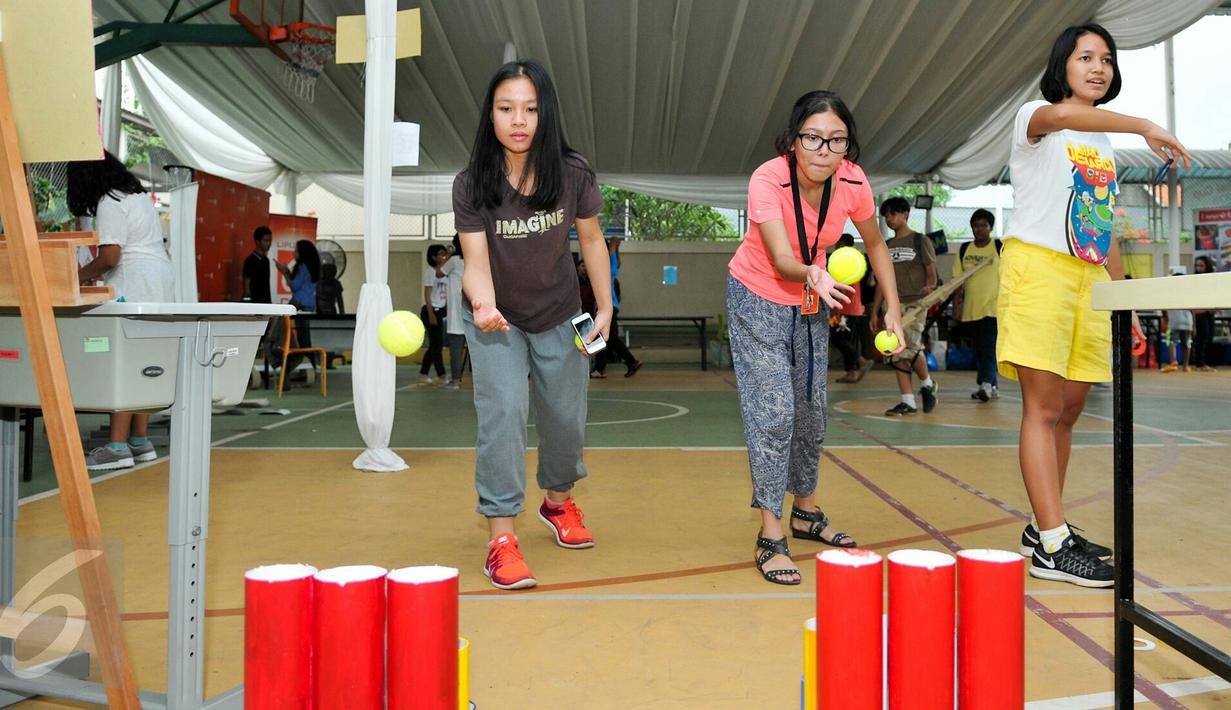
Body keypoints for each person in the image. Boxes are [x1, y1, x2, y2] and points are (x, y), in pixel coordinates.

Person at [1001, 23, 1191, 587]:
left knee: (1069, 410)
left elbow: (1100, 224)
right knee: (1041, 407)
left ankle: (1046, 525)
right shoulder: (1036, 118)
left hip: (1088, 280)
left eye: (1106, 59)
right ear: (1062, 66)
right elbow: (1063, 118)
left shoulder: (1101, 147)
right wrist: (1144, 125)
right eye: (1085, 57)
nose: (1098, 67)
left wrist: (1123, 295)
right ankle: (1053, 548)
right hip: (1038, 270)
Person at [727, 90, 905, 585]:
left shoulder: (852, 179)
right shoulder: (768, 179)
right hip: (758, 294)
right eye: (813, 138)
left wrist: (891, 305)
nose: (824, 150)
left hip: (811, 299)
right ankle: (770, 533)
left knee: (810, 409)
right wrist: (813, 273)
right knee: (774, 412)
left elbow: (876, 243)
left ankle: (805, 511)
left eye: (837, 140)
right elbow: (783, 259)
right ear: (793, 139)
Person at [454, 59, 612, 591]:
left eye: (530, 108)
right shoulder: (472, 182)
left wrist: (606, 306)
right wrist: (481, 303)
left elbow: (591, 239)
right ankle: (501, 536)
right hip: (495, 319)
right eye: (505, 108)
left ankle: (558, 503)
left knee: (565, 422)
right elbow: (474, 262)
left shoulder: (574, 174)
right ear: (490, 114)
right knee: (502, 414)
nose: (518, 120)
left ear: (546, 115)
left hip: (562, 314)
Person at [69, 151, 175, 471]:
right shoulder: (137, 196)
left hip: (135, 281)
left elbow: (111, 257)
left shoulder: (109, 202)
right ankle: (139, 441)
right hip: (159, 279)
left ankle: (116, 446)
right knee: (145, 361)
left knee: (124, 360)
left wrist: (75, 277)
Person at [871, 197, 939, 415]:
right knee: (896, 351)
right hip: (892, 306)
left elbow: (932, 275)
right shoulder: (886, 246)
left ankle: (927, 383)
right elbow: (882, 281)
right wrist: (874, 311)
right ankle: (910, 399)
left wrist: (929, 287)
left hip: (915, 303)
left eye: (893, 214)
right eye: (886, 215)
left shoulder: (920, 241)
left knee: (909, 347)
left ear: (906, 214)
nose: (889, 219)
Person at [952, 209, 1002, 401]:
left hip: (993, 308)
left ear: (990, 228)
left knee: (989, 347)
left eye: (984, 226)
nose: (979, 230)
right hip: (971, 309)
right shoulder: (965, 249)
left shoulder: (999, 247)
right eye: (976, 226)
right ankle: (992, 385)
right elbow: (958, 281)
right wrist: (957, 305)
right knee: (980, 348)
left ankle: (986, 385)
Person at [592, 237, 642, 378]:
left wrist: (613, 245)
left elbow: (614, 259)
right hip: (606, 307)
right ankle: (599, 368)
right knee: (604, 338)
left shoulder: (606, 266)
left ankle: (631, 361)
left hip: (608, 308)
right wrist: (615, 247)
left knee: (610, 337)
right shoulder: (605, 267)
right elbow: (617, 261)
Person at [273, 239, 321, 368]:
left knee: (302, 338)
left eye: (297, 250)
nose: (294, 253)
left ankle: (308, 365)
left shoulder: (302, 266)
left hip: (299, 304)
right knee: (304, 336)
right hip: (309, 303)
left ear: (303, 253)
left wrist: (283, 272)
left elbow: (294, 285)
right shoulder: (312, 266)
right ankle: (310, 365)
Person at [830, 234, 869, 383]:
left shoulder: (844, 260)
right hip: (853, 308)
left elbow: (845, 287)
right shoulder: (855, 259)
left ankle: (861, 360)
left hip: (844, 309)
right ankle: (851, 372)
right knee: (846, 339)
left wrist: (836, 307)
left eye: (837, 242)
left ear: (842, 243)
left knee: (838, 338)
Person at [418, 244, 449, 384]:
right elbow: (427, 294)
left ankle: (423, 373)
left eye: (444, 254)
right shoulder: (430, 272)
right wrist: (431, 314)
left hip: (440, 311)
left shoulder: (445, 271)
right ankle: (442, 375)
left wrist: (449, 253)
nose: (443, 256)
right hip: (431, 311)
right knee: (437, 345)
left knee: (435, 345)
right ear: (433, 257)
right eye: (441, 254)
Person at [442, 234, 466, 389]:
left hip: (456, 313)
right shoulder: (474, 259)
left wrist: (448, 254)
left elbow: (439, 272)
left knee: (456, 348)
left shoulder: (454, 261)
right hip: (472, 309)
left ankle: (456, 381)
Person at [1191, 256, 1217, 372]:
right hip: (1199, 311)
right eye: (1197, 265)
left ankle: (1205, 362)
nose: (1199, 268)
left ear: (1207, 266)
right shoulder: (1195, 279)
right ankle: (1199, 363)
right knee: (1202, 337)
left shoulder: (1211, 279)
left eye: (1201, 265)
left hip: (1209, 311)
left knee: (1209, 336)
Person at [242, 226, 273, 304]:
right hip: (254, 303)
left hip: (266, 302)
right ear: (257, 241)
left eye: (270, 240)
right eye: (266, 240)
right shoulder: (250, 261)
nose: (269, 243)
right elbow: (246, 285)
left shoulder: (266, 260)